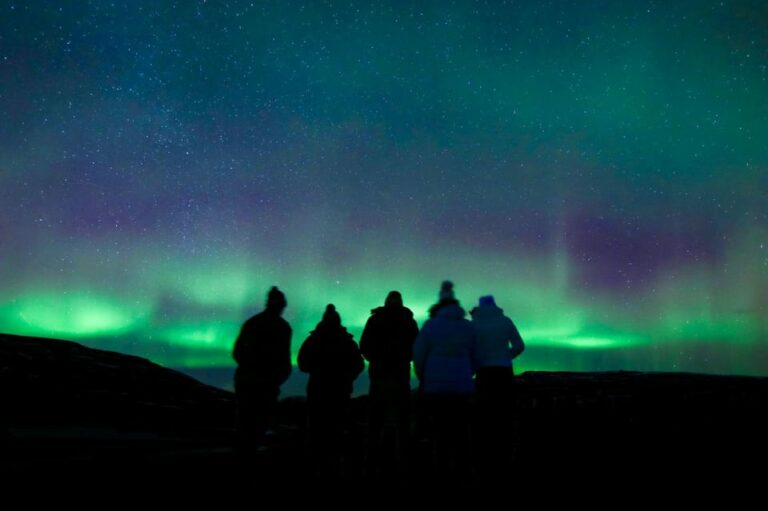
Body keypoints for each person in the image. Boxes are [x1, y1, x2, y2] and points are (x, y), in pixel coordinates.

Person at [413, 281, 477, 482]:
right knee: (461, 432)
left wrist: (424, 377)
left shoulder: (431, 326)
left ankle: (439, 473)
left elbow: (419, 354)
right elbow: (476, 355)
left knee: (439, 431)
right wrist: (468, 373)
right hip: (462, 386)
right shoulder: (469, 327)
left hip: (436, 387)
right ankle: (462, 472)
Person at [298, 304, 365, 474]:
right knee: (337, 429)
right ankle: (336, 468)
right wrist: (347, 377)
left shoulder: (313, 340)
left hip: (317, 390)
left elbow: (303, 363)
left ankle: (315, 466)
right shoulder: (347, 341)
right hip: (340, 391)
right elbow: (358, 365)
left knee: (316, 430)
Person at [360, 291, 419, 477]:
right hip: (400, 375)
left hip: (379, 375)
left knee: (375, 421)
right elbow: (417, 347)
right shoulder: (409, 321)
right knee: (402, 421)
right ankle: (404, 462)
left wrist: (376, 360)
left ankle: (371, 462)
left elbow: (364, 346)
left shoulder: (375, 320)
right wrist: (404, 359)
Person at [470, 294, 525, 480]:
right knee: (503, 414)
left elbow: (469, 348)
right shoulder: (505, 321)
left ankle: (483, 457)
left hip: (483, 372)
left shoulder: (474, 324)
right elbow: (519, 345)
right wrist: (505, 356)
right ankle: (504, 456)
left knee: (484, 414)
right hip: (503, 372)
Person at [232, 286, 292, 453]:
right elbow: (284, 359)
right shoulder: (283, 328)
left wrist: (248, 369)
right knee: (258, 425)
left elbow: (237, 352)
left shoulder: (252, 323)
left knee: (244, 425)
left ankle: (242, 462)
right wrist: (275, 378)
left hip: (247, 382)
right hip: (264, 385)